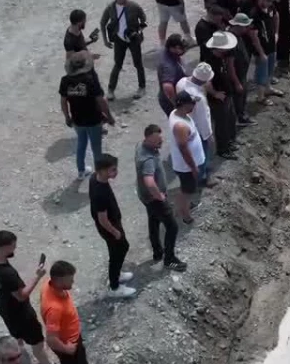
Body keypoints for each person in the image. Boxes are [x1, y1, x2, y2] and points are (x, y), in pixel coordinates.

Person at [0, 231, 61, 364]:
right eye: (13, 246)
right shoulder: (7, 273)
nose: (15, 249)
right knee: (37, 343)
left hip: (5, 310)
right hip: (22, 314)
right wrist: (38, 276)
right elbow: (21, 295)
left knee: (18, 339)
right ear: (4, 247)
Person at [40, 261, 112, 364]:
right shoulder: (54, 308)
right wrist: (67, 348)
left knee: (81, 360)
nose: (73, 282)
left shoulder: (50, 284)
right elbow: (51, 339)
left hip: (73, 339)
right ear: (59, 280)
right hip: (67, 345)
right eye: (70, 279)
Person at [136, 124, 186, 271]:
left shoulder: (140, 146)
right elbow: (149, 182)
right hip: (154, 198)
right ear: (148, 139)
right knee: (172, 227)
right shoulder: (148, 159)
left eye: (161, 139)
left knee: (153, 221)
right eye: (157, 141)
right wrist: (160, 197)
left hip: (144, 195)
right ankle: (169, 259)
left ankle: (157, 252)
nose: (161, 143)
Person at [88, 153, 136, 298]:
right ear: (102, 170)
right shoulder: (100, 193)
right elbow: (103, 219)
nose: (116, 173)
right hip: (109, 226)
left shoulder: (95, 178)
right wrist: (115, 232)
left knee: (116, 250)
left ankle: (117, 274)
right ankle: (114, 287)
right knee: (120, 249)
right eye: (112, 170)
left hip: (111, 223)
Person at [60, 55, 114, 181]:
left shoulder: (65, 80)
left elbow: (63, 101)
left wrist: (67, 117)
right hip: (93, 120)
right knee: (97, 149)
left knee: (81, 144)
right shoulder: (90, 80)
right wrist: (109, 116)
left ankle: (81, 171)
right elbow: (101, 100)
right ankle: (100, 176)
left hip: (77, 120)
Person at [99, 0, 147, 99]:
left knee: (138, 63)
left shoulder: (134, 6)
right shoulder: (110, 8)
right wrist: (105, 40)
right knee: (117, 65)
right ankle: (111, 90)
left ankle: (142, 87)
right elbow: (103, 23)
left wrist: (139, 31)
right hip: (119, 39)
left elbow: (143, 19)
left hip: (133, 39)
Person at [169, 92, 206, 224]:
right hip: (186, 167)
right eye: (192, 103)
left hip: (188, 165)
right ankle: (185, 215)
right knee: (187, 191)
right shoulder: (180, 126)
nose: (194, 105)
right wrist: (193, 167)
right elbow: (184, 149)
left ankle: (180, 207)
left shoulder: (177, 113)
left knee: (186, 189)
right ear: (184, 105)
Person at [177, 63, 216, 171]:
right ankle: (202, 177)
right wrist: (208, 136)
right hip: (197, 129)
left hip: (185, 124)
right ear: (204, 81)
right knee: (202, 155)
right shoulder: (199, 99)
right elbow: (203, 120)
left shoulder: (182, 82)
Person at [250, 0, 282, 103]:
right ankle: (260, 97)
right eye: (268, 1)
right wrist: (261, 53)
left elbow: (276, 16)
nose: (270, 3)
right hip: (261, 48)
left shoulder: (271, 7)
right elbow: (253, 35)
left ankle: (268, 89)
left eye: (271, 1)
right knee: (261, 72)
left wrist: (276, 33)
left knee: (270, 68)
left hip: (272, 44)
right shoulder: (254, 14)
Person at [156, 34, 189, 115]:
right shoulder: (169, 65)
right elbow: (167, 86)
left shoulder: (168, 53)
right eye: (181, 48)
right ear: (172, 48)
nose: (184, 50)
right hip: (170, 101)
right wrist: (177, 104)